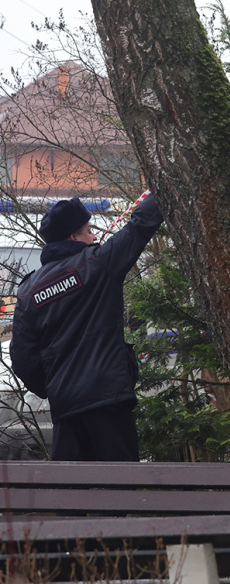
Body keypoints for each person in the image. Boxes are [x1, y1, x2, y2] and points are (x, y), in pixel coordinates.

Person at [11, 194, 164, 461]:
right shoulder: (98, 264)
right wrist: (163, 187)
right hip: (108, 401)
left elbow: (23, 359)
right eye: (89, 231)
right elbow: (139, 226)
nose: (94, 237)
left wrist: (52, 386)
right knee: (120, 490)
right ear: (74, 237)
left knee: (70, 494)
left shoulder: (28, 291)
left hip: (65, 410)